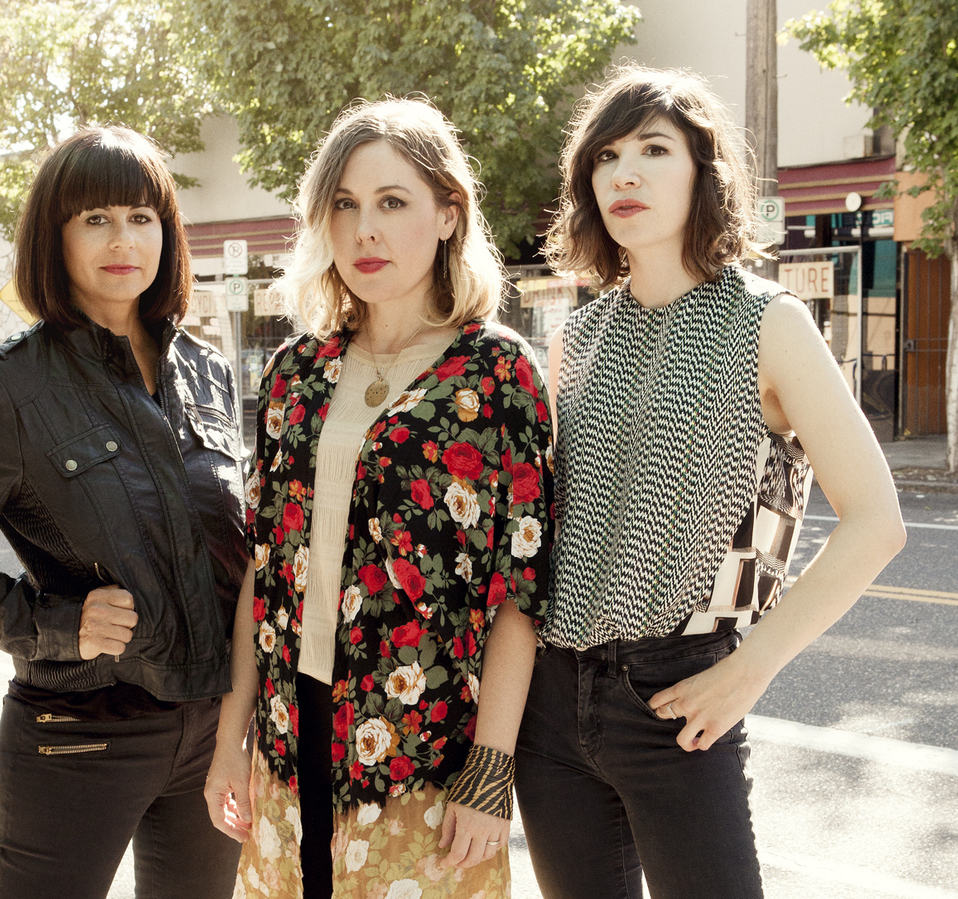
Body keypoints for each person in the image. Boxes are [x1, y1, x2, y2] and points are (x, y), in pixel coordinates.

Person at [513, 65, 907, 899]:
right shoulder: (574, 338)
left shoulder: (770, 321)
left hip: (676, 694)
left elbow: (877, 520)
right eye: (606, 156)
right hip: (550, 708)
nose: (625, 172)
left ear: (704, 172)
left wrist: (750, 667)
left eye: (655, 150)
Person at [203, 98, 553, 899]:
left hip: (427, 751)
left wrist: (491, 769)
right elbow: (266, 569)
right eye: (345, 205)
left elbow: (522, 590)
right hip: (293, 737)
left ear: (446, 214)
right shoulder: (295, 370)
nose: (366, 229)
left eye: (392, 202)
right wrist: (232, 741)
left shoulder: (497, 373)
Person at [0, 126, 248, 899]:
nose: (123, 239)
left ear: (167, 232)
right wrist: (61, 624)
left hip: (213, 734)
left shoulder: (207, 372)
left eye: (141, 216)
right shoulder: (8, 388)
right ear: (54, 237)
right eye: (95, 219)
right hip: (78, 733)